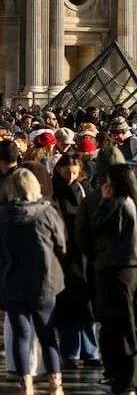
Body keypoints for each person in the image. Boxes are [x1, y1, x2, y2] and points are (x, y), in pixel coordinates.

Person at [0, 168, 66, 395]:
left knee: (21, 334)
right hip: (45, 281)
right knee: (47, 334)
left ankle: (25, 382)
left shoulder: (4, 216)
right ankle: (55, 383)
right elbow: (61, 244)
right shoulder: (47, 212)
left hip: (12, 283)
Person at [91, 164, 137, 395]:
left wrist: (104, 201)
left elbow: (97, 227)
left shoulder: (117, 204)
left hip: (119, 269)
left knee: (122, 325)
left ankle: (127, 378)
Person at [52, 153, 100, 368]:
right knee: (68, 305)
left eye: (73, 172)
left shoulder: (84, 190)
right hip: (64, 256)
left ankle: (90, 351)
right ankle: (71, 352)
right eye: (66, 172)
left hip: (82, 255)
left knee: (85, 304)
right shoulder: (56, 191)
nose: (70, 176)